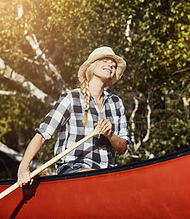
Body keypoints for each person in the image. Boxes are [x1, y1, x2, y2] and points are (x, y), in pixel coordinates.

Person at [17, 46, 131, 187]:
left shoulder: (116, 103)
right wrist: (23, 167)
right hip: (73, 169)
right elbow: (42, 135)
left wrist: (110, 134)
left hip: (106, 173)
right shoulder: (71, 98)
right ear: (92, 65)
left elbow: (123, 147)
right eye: (105, 60)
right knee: (93, 177)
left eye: (113, 65)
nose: (111, 65)